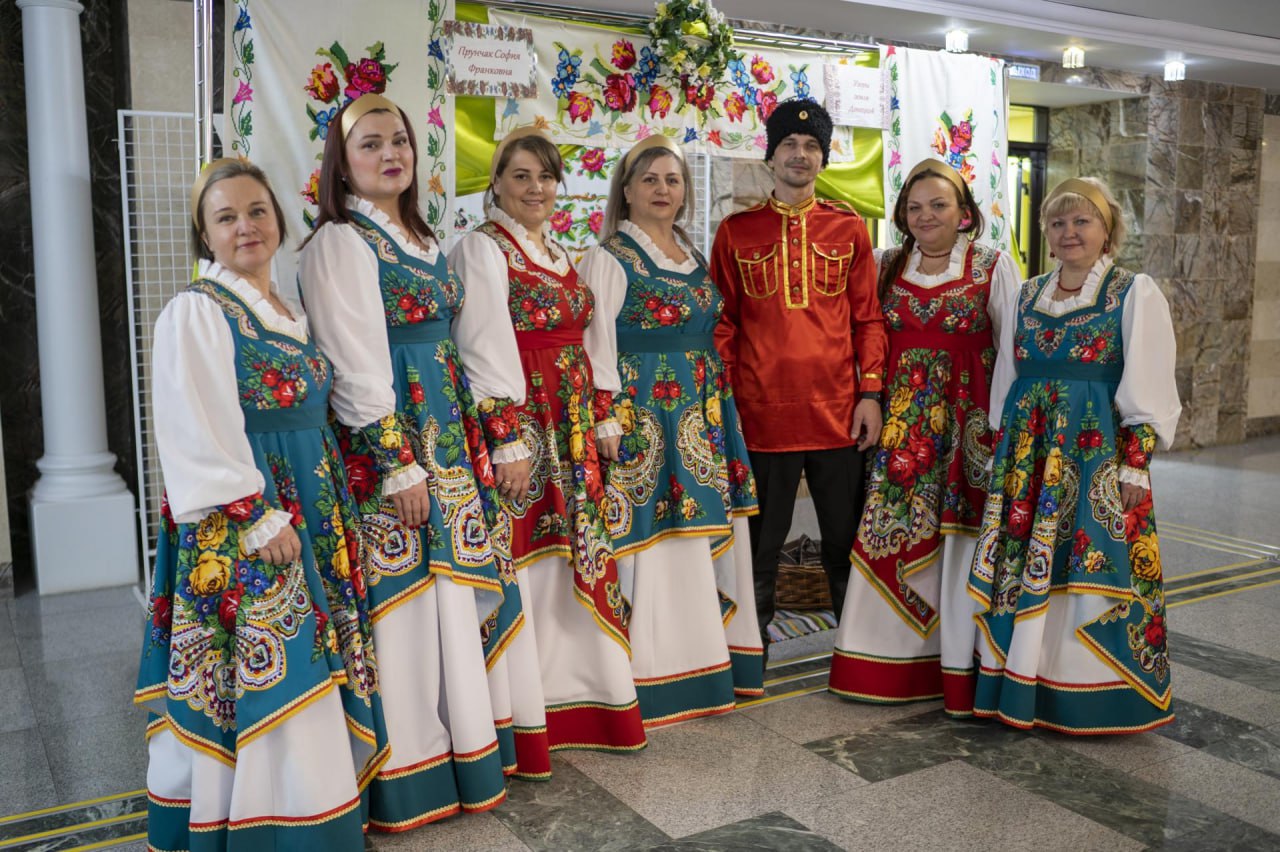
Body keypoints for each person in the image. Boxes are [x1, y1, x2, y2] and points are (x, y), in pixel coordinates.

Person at [135, 158, 387, 850]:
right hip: (256, 513)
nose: (246, 226)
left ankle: (317, 805)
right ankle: (269, 821)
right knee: (266, 656)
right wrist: (252, 512)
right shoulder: (198, 310)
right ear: (204, 235)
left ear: (278, 218)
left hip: (313, 499)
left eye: (257, 211)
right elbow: (193, 426)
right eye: (226, 217)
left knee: (310, 649)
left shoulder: (287, 310)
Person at [298, 92, 529, 824]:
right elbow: (354, 361)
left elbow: (474, 344)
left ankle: (463, 742)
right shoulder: (340, 242)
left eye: (399, 140)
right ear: (342, 162)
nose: (390, 153)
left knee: (450, 591)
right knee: (401, 595)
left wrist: (501, 433)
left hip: (448, 428)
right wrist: (395, 461)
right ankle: (410, 769)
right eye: (370, 144)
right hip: (390, 443)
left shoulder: (426, 241)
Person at [450, 127, 647, 754]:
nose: (536, 188)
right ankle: (524, 710)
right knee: (526, 548)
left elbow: (593, 341)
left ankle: (581, 693)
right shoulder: (482, 250)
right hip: (525, 419)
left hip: (572, 420)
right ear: (496, 185)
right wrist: (506, 438)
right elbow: (480, 344)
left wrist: (602, 412)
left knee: (573, 553)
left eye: (545, 176)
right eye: (521, 176)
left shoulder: (565, 253)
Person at [968, 177, 1180, 733]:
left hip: (1094, 453)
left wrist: (1136, 462)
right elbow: (1007, 378)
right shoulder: (1028, 292)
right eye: (1058, 223)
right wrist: (1000, 449)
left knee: (1089, 559)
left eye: (1082, 221)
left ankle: (1089, 691)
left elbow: (1149, 384)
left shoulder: (1134, 292)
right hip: (1029, 452)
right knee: (1032, 560)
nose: (1069, 232)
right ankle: (1025, 680)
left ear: (1107, 230)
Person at [580, 136, 765, 725]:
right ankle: (650, 675)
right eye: (651, 180)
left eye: (674, 180)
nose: (664, 190)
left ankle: (705, 663)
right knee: (648, 533)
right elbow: (595, 344)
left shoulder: (691, 250)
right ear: (627, 190)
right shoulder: (608, 256)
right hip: (641, 411)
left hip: (702, 406)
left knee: (697, 534)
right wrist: (605, 415)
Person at [828, 158, 1021, 715]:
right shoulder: (885, 265)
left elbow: (1010, 352)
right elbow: (864, 341)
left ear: (964, 213)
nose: (925, 215)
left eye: (938, 205)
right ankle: (885, 667)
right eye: (914, 207)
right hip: (905, 429)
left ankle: (959, 663)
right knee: (892, 533)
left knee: (961, 541)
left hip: (970, 428)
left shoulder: (993, 266)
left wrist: (1002, 431)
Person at [709, 99, 888, 665]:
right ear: (772, 152)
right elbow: (723, 324)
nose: (800, 155)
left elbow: (867, 318)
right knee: (761, 543)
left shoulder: (849, 227)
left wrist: (871, 394)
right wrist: (728, 403)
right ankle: (749, 653)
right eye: (790, 144)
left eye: (811, 147)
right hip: (760, 417)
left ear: (823, 158)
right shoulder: (737, 232)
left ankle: (859, 651)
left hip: (839, 414)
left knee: (845, 538)